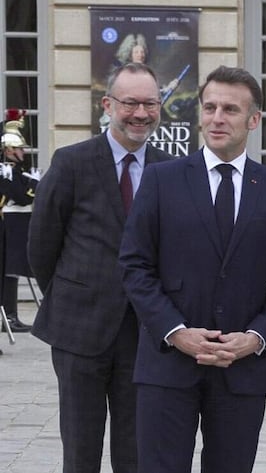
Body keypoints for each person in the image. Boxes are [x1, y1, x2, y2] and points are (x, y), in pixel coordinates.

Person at [119, 65, 266, 473]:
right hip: (168, 363)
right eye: (210, 107)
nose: (217, 118)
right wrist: (175, 331)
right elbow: (134, 265)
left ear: (253, 120)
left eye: (230, 110)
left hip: (242, 368)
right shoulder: (161, 180)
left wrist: (256, 338)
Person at [28, 62, 173, 473]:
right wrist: (75, 293)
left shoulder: (170, 169)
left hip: (144, 334)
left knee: (136, 451)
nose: (141, 113)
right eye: (130, 103)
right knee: (80, 450)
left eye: (150, 104)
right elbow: (42, 246)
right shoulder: (71, 162)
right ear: (108, 105)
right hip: (78, 331)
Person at [1, 108, 40, 333]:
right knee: (10, 271)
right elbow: (23, 198)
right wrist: (34, 184)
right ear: (8, 150)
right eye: (18, 148)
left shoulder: (16, 170)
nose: (22, 151)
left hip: (18, 222)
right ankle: (9, 316)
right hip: (11, 222)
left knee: (13, 272)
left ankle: (10, 316)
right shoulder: (6, 171)